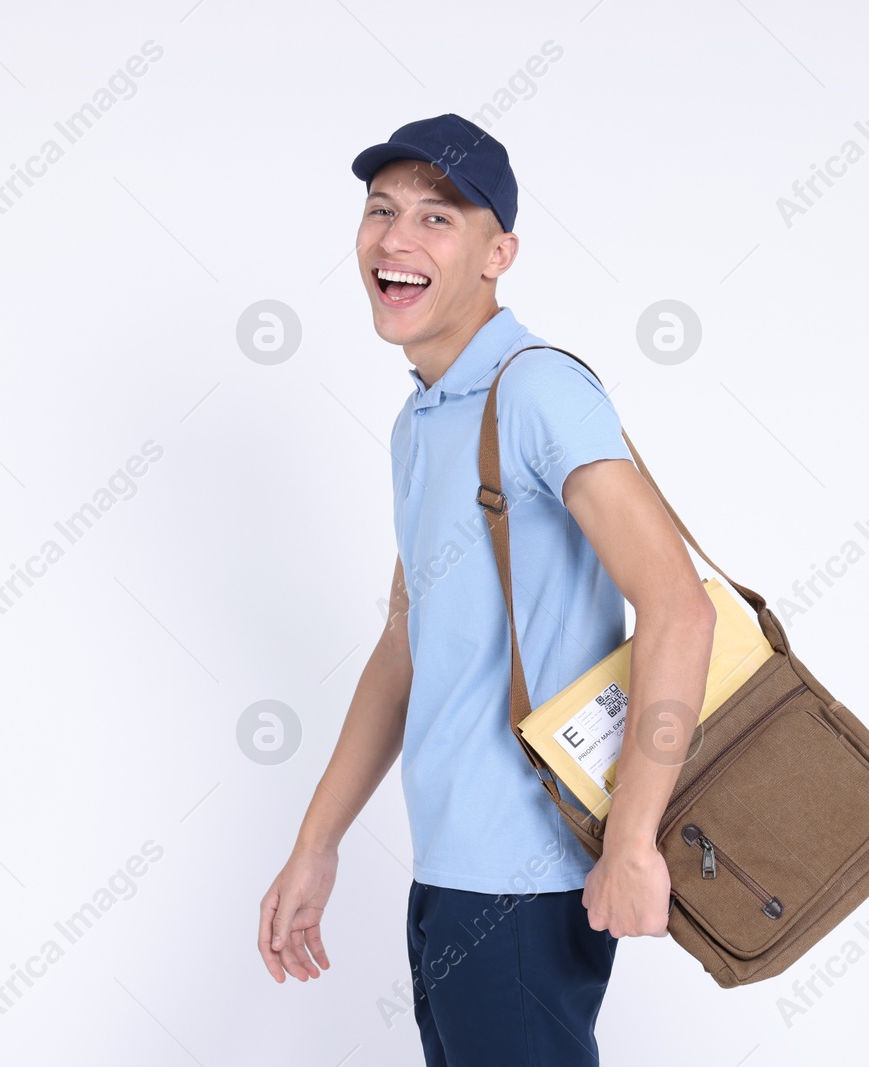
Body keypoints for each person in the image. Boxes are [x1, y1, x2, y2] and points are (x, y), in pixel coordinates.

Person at [257, 113, 717, 1065]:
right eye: (381, 212)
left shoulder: (537, 390)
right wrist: (317, 841)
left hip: (528, 877)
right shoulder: (422, 417)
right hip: (452, 874)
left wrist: (631, 840)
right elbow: (404, 641)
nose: (395, 238)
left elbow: (679, 605)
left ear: (497, 253)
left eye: (437, 217)